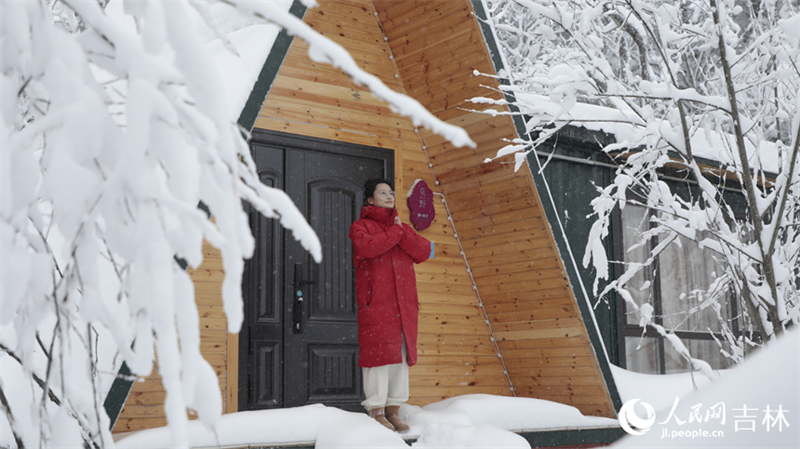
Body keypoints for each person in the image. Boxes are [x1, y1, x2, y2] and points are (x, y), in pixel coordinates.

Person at [348, 178, 431, 432]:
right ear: (370, 199)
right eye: (382, 192)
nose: (389, 195)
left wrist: (401, 231)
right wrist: (396, 232)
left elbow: (424, 251)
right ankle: (376, 410)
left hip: (403, 305)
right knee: (378, 358)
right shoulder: (360, 226)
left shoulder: (402, 228)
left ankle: (393, 410)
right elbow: (368, 247)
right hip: (377, 303)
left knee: (400, 357)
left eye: (391, 192)